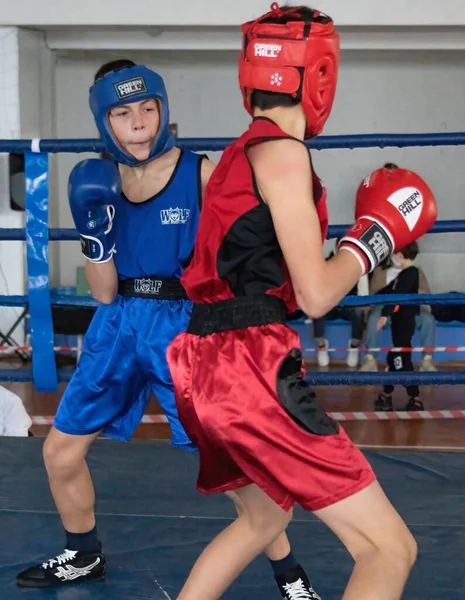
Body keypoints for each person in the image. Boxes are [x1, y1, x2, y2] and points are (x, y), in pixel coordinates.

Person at [16, 60, 317, 598]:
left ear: (163, 111)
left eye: (147, 110)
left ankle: (290, 574)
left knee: (231, 469)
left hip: (184, 327)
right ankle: (83, 554)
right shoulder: (96, 183)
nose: (138, 125)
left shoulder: (201, 174)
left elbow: (241, 257)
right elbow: (104, 291)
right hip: (117, 323)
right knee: (59, 452)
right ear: (103, 121)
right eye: (123, 113)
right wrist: (96, 238)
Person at [167, 4, 437, 599]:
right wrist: (374, 239)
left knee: (263, 518)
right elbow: (315, 294)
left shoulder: (236, 155)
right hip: (248, 371)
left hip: (199, 363)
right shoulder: (284, 155)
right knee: (389, 548)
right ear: (319, 75)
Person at [374, 243, 423, 411]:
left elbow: (397, 296)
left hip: (404, 322)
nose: (393, 256)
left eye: (395, 253)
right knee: (395, 358)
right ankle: (387, 395)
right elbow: (389, 290)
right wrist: (367, 299)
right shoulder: (404, 274)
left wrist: (384, 315)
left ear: (401, 254)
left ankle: (414, 397)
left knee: (401, 360)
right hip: (400, 322)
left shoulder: (411, 273)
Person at [313, 241, 368, 368]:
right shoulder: (326, 264)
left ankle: (354, 346)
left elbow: (363, 294)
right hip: (330, 305)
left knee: (358, 311)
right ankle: (321, 345)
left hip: (349, 306)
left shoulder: (358, 266)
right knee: (317, 308)